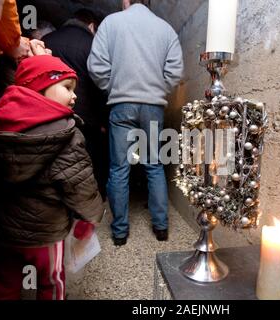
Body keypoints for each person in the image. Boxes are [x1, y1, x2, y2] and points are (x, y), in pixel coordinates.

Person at [0, 55, 105, 300]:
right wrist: (90, 218)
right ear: (39, 90)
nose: (74, 95)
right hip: (46, 233)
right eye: (67, 87)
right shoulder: (66, 134)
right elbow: (80, 185)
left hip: (5, 229)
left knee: (4, 282)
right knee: (52, 282)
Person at [87, 0, 183, 245]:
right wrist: (157, 91)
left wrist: (114, 88)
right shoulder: (165, 28)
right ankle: (161, 228)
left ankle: (120, 233)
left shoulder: (111, 23)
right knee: (154, 165)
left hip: (121, 104)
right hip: (153, 107)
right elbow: (175, 72)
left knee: (119, 168)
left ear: (126, 1)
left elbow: (96, 66)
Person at [44, 9, 109, 200]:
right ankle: (91, 199)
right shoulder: (93, 45)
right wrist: (103, 118)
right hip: (86, 117)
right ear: (91, 26)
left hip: (50, 114)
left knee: (54, 159)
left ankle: (57, 199)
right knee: (88, 160)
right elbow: (100, 84)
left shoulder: (48, 40)